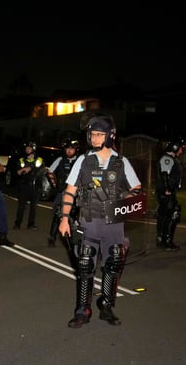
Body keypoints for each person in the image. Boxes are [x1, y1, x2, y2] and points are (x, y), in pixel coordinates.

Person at [58, 115, 143, 328]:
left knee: (113, 263)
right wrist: (65, 218)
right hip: (89, 221)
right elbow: (70, 191)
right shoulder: (83, 160)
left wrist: (124, 200)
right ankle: (82, 310)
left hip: (114, 224)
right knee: (85, 264)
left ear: (109, 136)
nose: (94, 138)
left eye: (99, 135)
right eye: (92, 135)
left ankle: (106, 305)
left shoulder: (121, 162)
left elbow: (137, 190)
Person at [46, 138, 80, 247]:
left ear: (76, 149)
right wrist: (54, 184)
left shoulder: (80, 161)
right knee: (58, 214)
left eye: (71, 149)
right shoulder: (60, 160)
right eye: (67, 149)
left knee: (75, 216)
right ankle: (52, 237)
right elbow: (49, 171)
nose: (69, 151)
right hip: (62, 192)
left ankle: (74, 240)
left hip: (76, 193)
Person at [155, 137, 186, 250]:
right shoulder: (167, 159)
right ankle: (167, 241)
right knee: (172, 215)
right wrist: (167, 189)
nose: (181, 151)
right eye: (181, 148)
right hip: (166, 193)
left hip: (167, 191)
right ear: (175, 147)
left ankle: (162, 239)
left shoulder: (169, 159)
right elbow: (165, 174)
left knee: (165, 216)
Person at [13, 141, 46, 230]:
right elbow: (17, 172)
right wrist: (23, 169)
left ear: (33, 149)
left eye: (29, 148)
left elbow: (40, 170)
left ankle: (31, 224)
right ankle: (17, 223)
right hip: (24, 185)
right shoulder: (21, 160)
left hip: (35, 186)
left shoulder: (39, 159)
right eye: (26, 148)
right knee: (21, 206)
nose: (27, 150)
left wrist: (30, 168)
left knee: (33, 206)